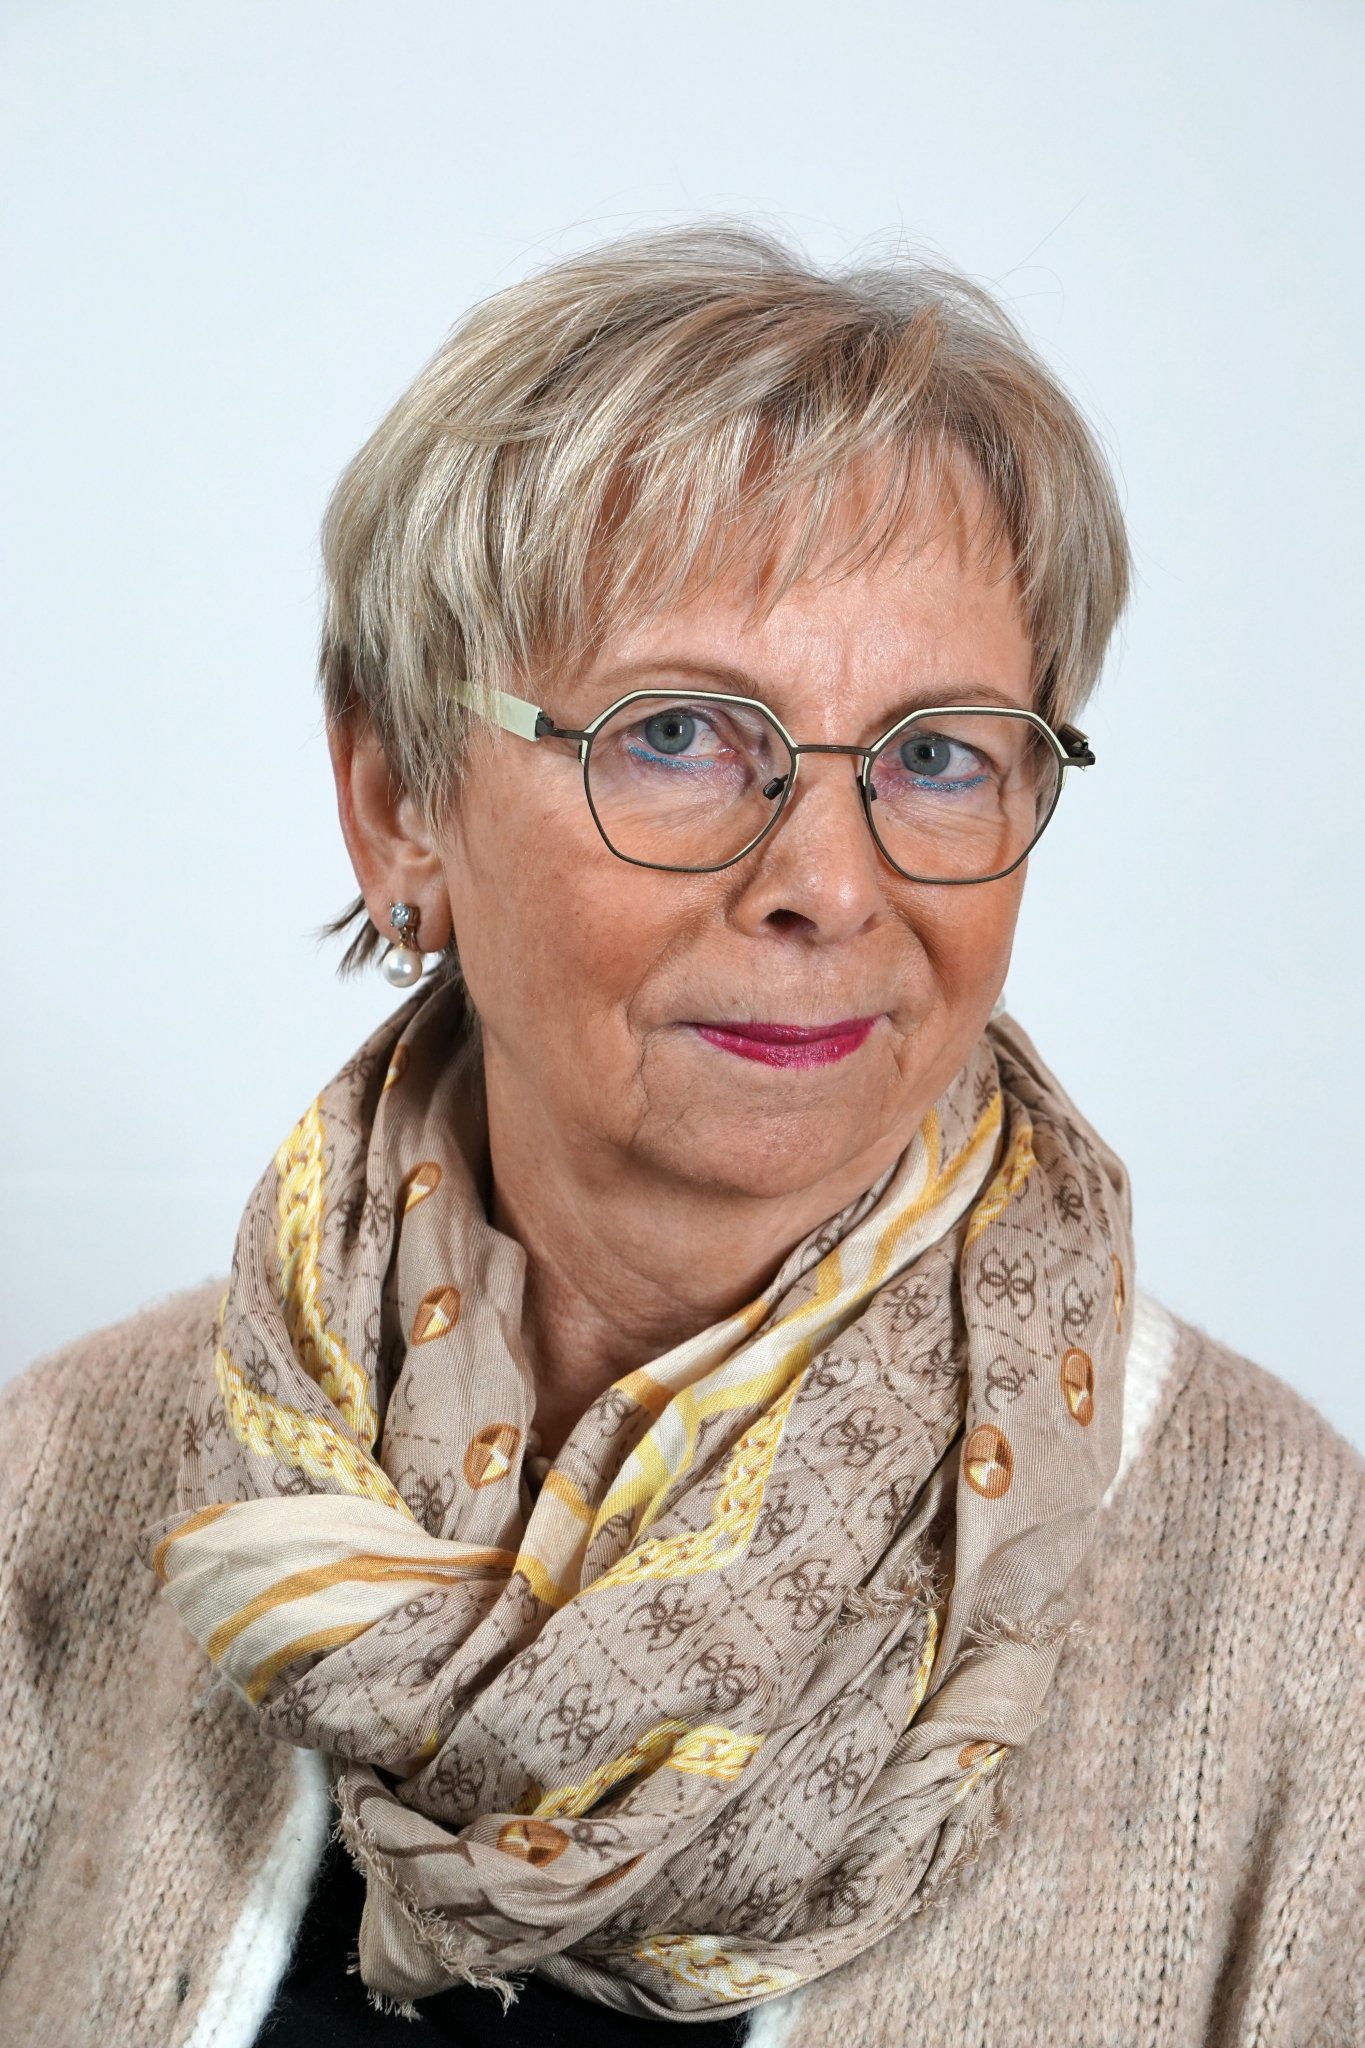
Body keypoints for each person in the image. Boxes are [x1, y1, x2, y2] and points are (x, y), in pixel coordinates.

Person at [2, 224, 1361, 2048]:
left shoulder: (1296, 1598)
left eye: (937, 756)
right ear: (397, 802)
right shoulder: (61, 1487)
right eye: (677, 735)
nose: (828, 884)